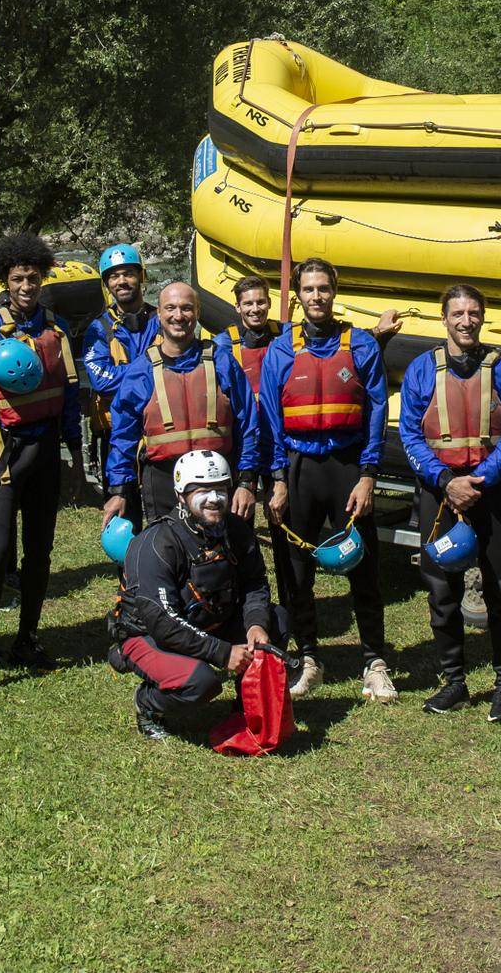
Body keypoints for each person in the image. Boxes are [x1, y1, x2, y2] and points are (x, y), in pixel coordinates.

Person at [0, 233, 84, 696]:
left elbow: (69, 397)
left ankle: (27, 640)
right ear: (4, 282)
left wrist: (75, 457)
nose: (26, 285)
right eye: (17, 279)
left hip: (45, 452)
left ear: (42, 278)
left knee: (40, 554)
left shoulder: (58, 328)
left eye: (33, 278)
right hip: (1, 454)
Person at [258, 258, 394, 701]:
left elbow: (376, 410)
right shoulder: (282, 350)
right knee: (296, 572)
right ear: (297, 295)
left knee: (363, 565)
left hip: (348, 466)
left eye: (324, 288)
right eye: (309, 289)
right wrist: (277, 478)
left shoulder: (361, 345)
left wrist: (369, 474)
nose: (317, 297)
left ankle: (375, 661)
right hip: (299, 467)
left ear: (335, 291)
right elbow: (271, 420)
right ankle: (308, 657)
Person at [398, 284, 501, 723]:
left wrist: (481, 478)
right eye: (457, 313)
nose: (466, 321)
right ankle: (454, 680)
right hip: (441, 495)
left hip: (489, 492)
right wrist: (445, 480)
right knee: (442, 590)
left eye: (474, 313)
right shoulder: (422, 369)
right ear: (444, 318)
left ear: (482, 317)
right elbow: (410, 435)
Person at [105, 451, 282, 740]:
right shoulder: (156, 543)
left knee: (278, 621)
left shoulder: (236, 531)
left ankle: (245, 702)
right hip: (147, 633)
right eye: (202, 490)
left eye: (221, 489)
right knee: (202, 683)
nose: (214, 498)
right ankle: (148, 704)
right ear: (181, 496)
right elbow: (162, 621)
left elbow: (254, 584)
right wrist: (223, 653)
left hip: (204, 620)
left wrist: (256, 624)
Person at [100, 281, 260, 525]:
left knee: (229, 558)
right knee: (169, 557)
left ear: (197, 312)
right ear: (159, 314)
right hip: (164, 482)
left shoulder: (222, 362)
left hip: (220, 477)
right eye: (170, 308)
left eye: (186, 308)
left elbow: (248, 424)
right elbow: (123, 436)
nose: (178, 316)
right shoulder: (140, 372)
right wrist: (119, 491)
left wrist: (247, 482)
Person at [83, 244, 159, 527]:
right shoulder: (98, 329)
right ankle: (127, 571)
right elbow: (101, 380)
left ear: (141, 276)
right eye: (114, 277)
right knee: (124, 517)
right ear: (107, 284)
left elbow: (179, 368)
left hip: (160, 429)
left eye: (128, 274)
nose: (121, 282)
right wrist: (149, 370)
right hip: (115, 433)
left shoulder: (164, 319)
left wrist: (125, 374)